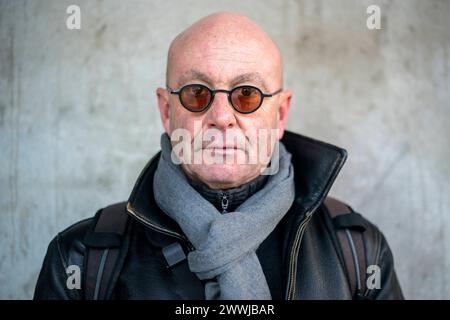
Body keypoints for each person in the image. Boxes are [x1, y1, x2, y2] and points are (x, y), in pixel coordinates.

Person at [34, 12, 403, 300]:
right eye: (197, 93)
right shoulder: (83, 259)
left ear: (281, 114)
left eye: (247, 95)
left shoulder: (357, 251)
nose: (222, 118)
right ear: (167, 111)